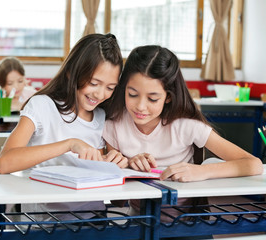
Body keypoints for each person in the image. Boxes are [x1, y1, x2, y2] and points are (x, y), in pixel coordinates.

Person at [102, 45, 263, 232]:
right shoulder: (113, 125)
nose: (141, 106)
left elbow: (253, 164)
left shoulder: (185, 125)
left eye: (153, 98)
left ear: (168, 97)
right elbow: (116, 200)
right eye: (132, 94)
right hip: (140, 223)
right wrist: (127, 164)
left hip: (188, 224)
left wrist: (201, 171)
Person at [0, 33, 127, 221]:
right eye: (94, 83)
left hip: (91, 221)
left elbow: (115, 198)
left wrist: (115, 164)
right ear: (71, 73)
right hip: (43, 223)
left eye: (110, 87)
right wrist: (69, 144)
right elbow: (5, 163)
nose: (100, 94)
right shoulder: (41, 106)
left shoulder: (101, 116)